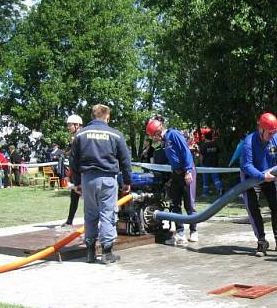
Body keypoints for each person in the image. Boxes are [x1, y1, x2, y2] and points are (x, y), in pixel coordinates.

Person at [69, 104, 132, 264]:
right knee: (107, 214)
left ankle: (90, 252)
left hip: (87, 179)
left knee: (90, 214)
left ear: (93, 116)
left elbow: (73, 161)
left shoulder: (80, 135)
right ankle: (106, 253)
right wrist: (127, 181)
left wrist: (76, 182)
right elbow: (125, 160)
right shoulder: (115, 135)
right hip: (107, 179)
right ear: (107, 116)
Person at [240, 112, 277, 256]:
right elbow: (247, 165)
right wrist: (261, 176)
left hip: (271, 176)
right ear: (261, 128)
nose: (271, 135)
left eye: (274, 132)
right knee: (253, 208)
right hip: (251, 178)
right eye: (269, 133)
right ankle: (261, 242)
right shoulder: (249, 141)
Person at [145, 115, 198, 245]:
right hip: (175, 173)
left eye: (154, 135)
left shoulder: (173, 134)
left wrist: (188, 171)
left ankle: (193, 231)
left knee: (189, 204)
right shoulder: (165, 141)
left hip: (186, 171)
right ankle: (180, 234)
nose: (154, 139)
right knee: (175, 203)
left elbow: (185, 151)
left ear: (158, 131)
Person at [59, 114, 84, 228]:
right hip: (76, 172)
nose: (68, 127)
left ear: (77, 125)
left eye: (70, 125)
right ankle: (69, 221)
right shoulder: (75, 137)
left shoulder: (80, 136)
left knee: (86, 198)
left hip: (82, 173)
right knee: (74, 197)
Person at [199, 130, 224, 197]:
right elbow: (219, 154)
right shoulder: (215, 144)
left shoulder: (203, 146)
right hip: (214, 164)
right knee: (216, 178)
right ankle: (220, 189)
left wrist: (201, 164)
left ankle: (205, 193)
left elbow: (201, 157)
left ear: (205, 137)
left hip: (205, 165)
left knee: (205, 180)